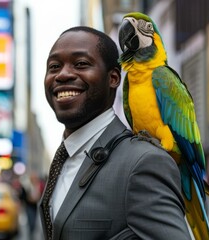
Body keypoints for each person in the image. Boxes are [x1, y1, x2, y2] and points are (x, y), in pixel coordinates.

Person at [39, 26, 191, 240]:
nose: (63, 74)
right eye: (54, 66)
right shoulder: (63, 161)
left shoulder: (144, 162)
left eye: (81, 64)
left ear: (113, 79)